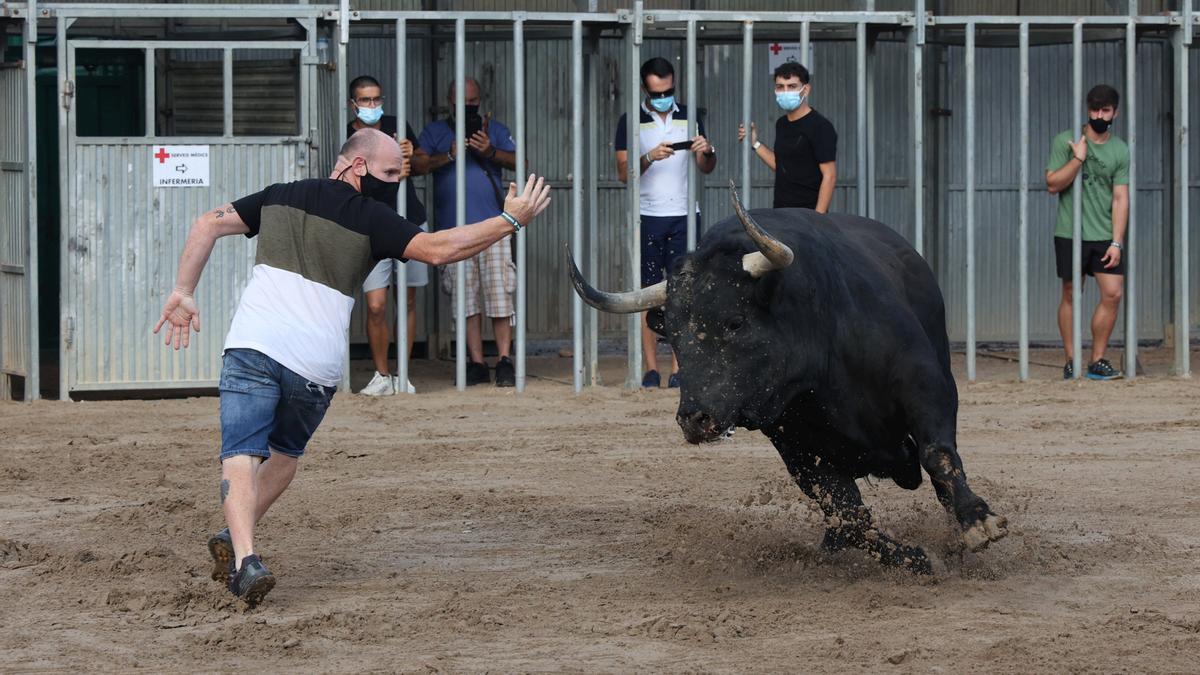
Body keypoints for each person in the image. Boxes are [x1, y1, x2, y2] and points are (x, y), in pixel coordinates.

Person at [153, 128, 551, 605]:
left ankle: (244, 556)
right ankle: (241, 549)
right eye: (388, 173)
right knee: (284, 456)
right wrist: (510, 219)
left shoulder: (279, 197)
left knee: (240, 453)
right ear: (356, 165)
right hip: (315, 367)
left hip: (253, 347)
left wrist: (183, 290)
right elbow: (442, 249)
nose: (393, 183)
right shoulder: (374, 218)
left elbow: (206, 223)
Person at [614, 57, 716, 389]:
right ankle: (649, 369)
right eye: (657, 91)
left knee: (682, 294)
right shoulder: (630, 121)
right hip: (647, 215)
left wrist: (706, 150)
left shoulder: (690, 115)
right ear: (645, 88)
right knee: (648, 293)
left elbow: (706, 167)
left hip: (685, 214)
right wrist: (648, 157)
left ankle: (677, 368)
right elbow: (622, 173)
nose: (664, 96)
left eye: (669, 90)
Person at [418, 78, 519, 387]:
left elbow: (521, 161)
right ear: (449, 102)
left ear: (480, 101)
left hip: (494, 227)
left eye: (473, 102)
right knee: (465, 301)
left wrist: (489, 151)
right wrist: (448, 155)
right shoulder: (435, 131)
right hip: (454, 231)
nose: (468, 107)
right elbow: (416, 165)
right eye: (462, 102)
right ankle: (476, 363)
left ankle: (503, 360)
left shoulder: (496, 129)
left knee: (500, 296)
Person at [346, 75, 431, 396]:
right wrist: (394, 171)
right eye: (366, 100)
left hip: (408, 220)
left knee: (407, 299)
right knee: (377, 304)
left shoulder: (397, 125)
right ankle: (381, 375)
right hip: (371, 226)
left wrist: (412, 156)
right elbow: (350, 180)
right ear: (353, 104)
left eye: (377, 99)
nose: (372, 106)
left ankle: (403, 374)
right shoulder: (348, 137)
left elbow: (423, 165)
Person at [1045, 84, 1129, 381]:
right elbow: (1053, 184)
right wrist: (1078, 158)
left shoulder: (1120, 150)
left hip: (1104, 233)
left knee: (1113, 293)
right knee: (1071, 293)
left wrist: (1117, 241)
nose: (1099, 115)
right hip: (1071, 231)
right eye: (1094, 109)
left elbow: (1120, 197)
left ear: (1115, 112)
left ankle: (1097, 361)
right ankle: (1072, 361)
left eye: (1105, 110)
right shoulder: (1066, 141)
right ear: (1087, 109)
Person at [737, 62, 837, 213]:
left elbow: (829, 176)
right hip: (782, 213)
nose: (785, 91)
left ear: (806, 89)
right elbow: (782, 165)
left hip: (808, 215)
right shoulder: (782, 124)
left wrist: (818, 220)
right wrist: (755, 143)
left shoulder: (820, 126)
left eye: (792, 86)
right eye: (780, 87)